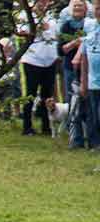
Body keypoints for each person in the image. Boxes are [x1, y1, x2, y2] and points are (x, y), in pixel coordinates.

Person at [19, 0, 59, 135]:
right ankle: (27, 126)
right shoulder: (25, 15)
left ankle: (46, 125)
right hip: (33, 59)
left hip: (50, 60)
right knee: (30, 93)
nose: (43, 3)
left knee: (47, 94)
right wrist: (37, 21)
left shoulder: (52, 16)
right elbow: (23, 32)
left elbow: (52, 31)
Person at [59, 0, 90, 147]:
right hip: (70, 68)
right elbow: (60, 50)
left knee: (89, 103)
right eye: (75, 6)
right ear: (71, 9)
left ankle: (89, 135)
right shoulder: (66, 26)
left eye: (80, 6)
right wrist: (74, 43)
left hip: (89, 68)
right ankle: (75, 137)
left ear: (85, 9)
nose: (78, 8)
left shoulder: (90, 25)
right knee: (73, 102)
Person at [80, 1, 100, 149]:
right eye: (97, 8)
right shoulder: (89, 27)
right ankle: (94, 144)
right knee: (93, 115)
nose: (99, 11)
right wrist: (83, 81)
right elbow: (84, 57)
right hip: (93, 81)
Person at [0, 37, 22, 119]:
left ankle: (7, 118)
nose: (10, 50)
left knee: (7, 103)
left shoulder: (11, 60)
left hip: (7, 86)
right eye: (8, 48)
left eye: (10, 48)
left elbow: (14, 74)